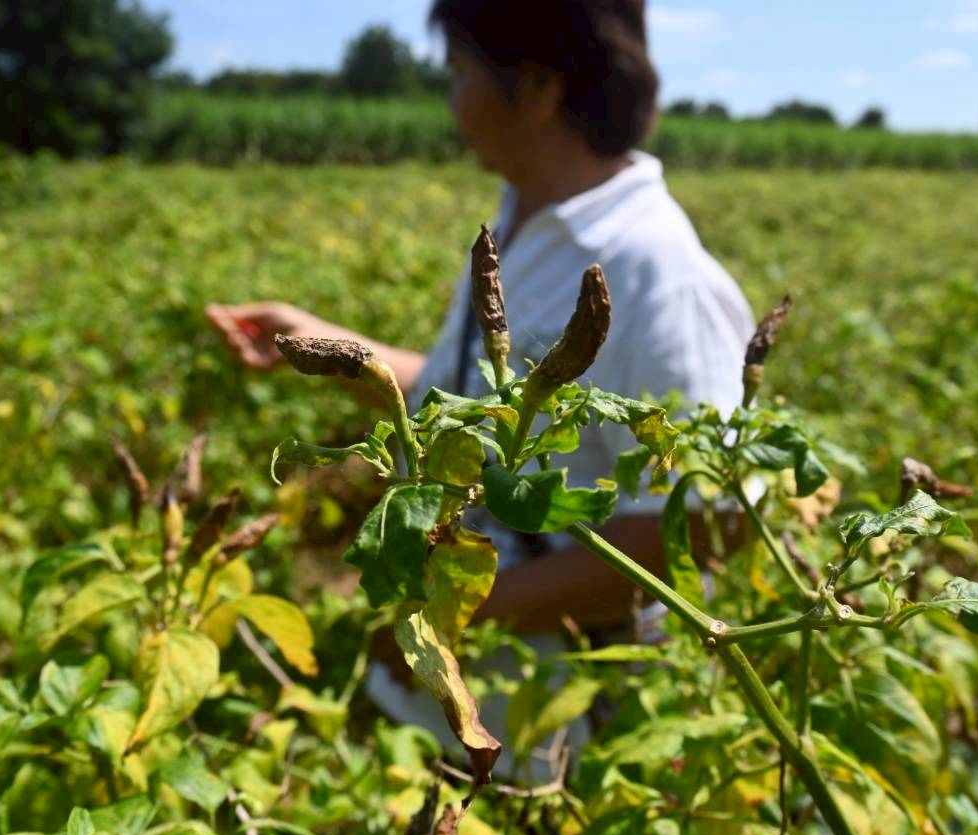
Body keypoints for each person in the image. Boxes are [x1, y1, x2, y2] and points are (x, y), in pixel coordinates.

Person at [206, 0, 755, 777]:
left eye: (460, 72)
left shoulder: (659, 275)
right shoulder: (524, 223)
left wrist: (450, 616)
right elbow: (455, 402)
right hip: (462, 714)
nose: (452, 101)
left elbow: (702, 525)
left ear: (537, 89)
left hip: (558, 749)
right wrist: (331, 349)